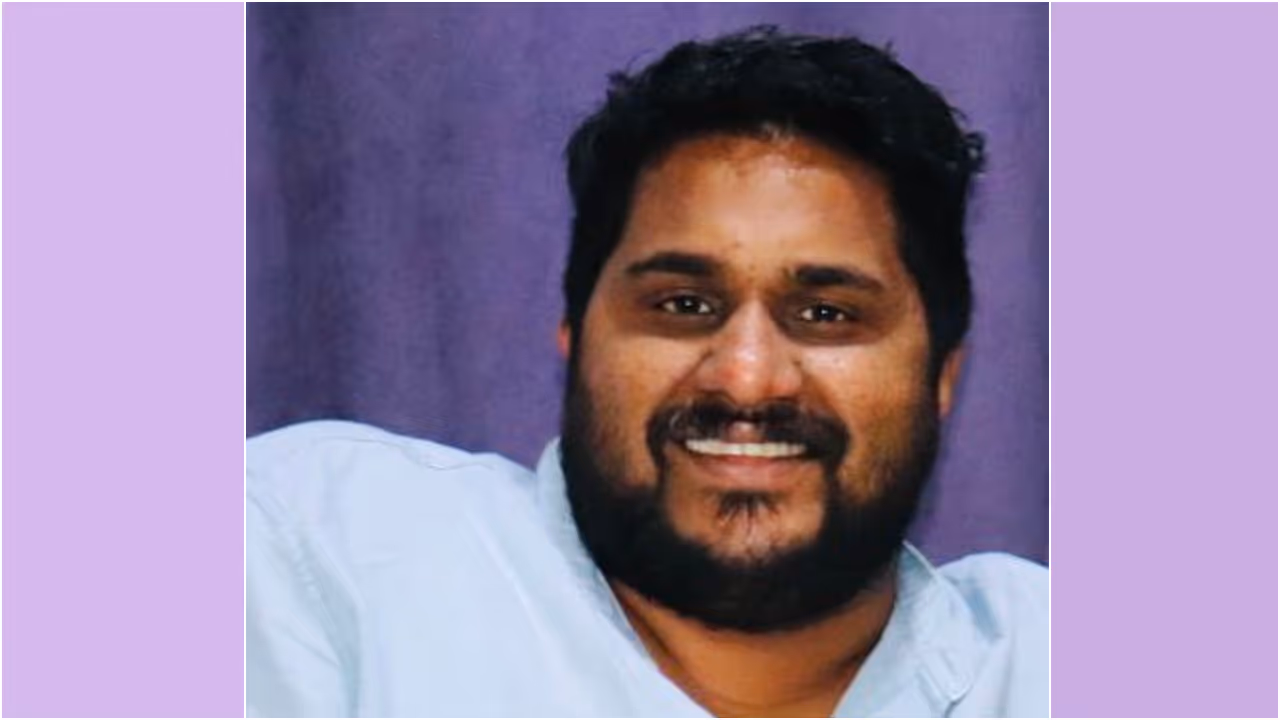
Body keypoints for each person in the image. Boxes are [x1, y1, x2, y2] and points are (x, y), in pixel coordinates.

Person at [247, 26, 1048, 718]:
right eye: (684, 305)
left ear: (942, 375)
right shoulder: (318, 555)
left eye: (826, 314)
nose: (747, 379)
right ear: (573, 337)